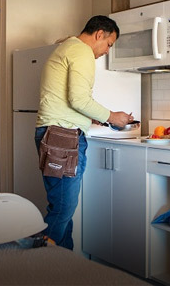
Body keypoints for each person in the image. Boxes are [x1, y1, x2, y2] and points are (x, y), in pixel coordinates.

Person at [34, 15, 133, 250]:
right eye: (109, 44)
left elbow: (65, 99)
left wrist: (90, 119)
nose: (107, 51)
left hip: (55, 133)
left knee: (62, 210)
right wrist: (112, 116)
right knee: (62, 210)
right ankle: (36, 265)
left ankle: (65, 268)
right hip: (62, 138)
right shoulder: (82, 52)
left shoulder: (68, 46)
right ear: (100, 34)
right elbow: (78, 98)